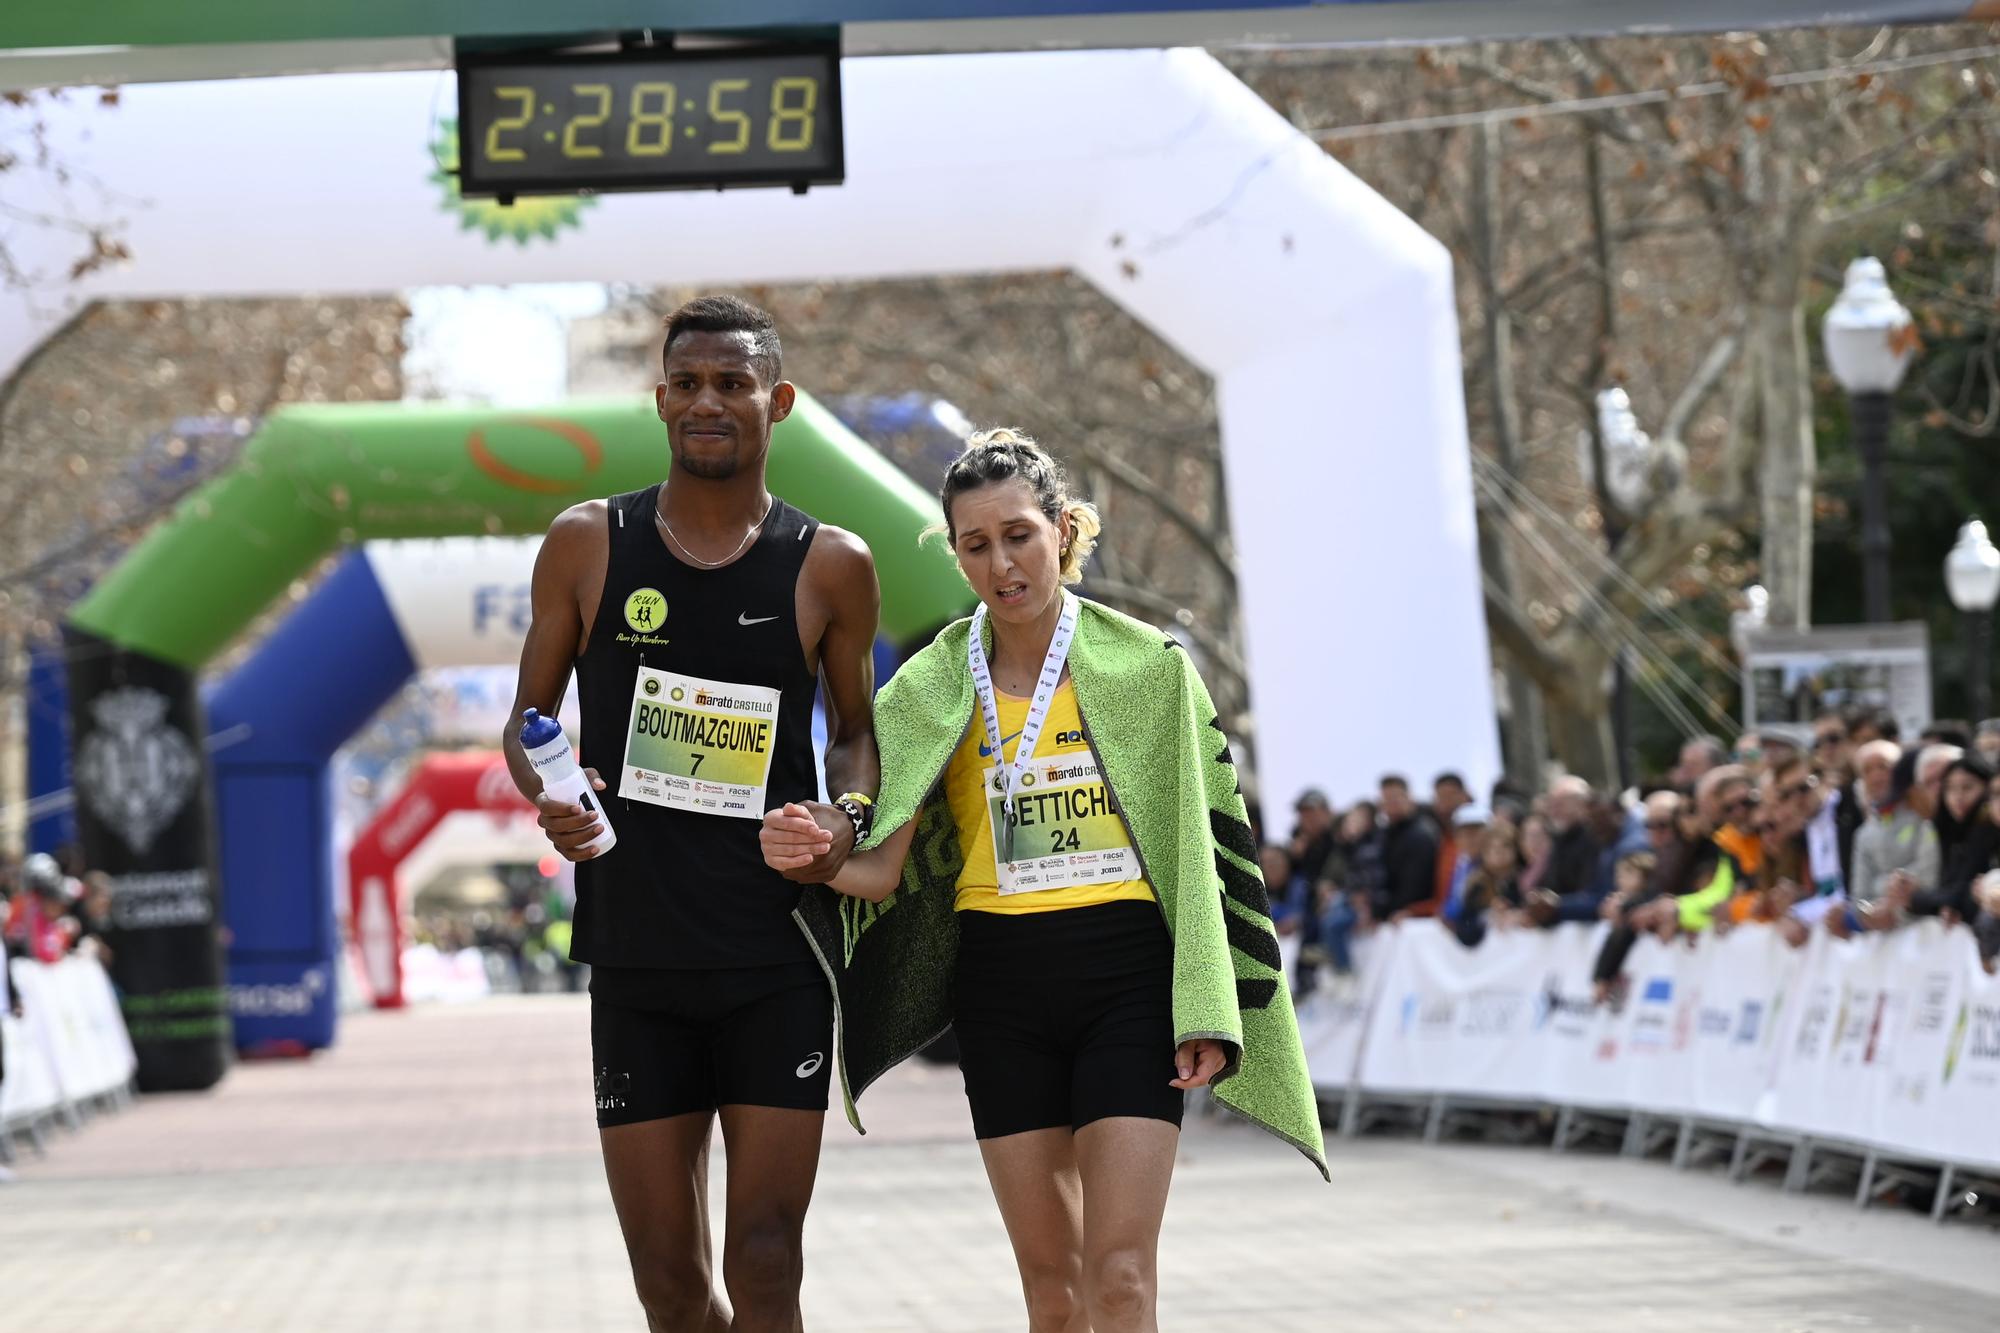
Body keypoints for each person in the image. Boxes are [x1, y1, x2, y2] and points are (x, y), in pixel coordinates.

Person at [764, 429, 1325, 1332]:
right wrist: (816, 852)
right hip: (1002, 990)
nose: (1002, 563)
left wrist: (1203, 1002)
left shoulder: (1151, 666)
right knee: (1053, 1293)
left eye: (1019, 535)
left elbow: (1200, 848)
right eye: (975, 545)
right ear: (955, 553)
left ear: (1064, 530)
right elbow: (880, 875)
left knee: (1122, 1280)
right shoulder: (929, 684)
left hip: (1128, 983)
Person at [505, 296, 883, 1333]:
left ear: (780, 401)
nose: (707, 401)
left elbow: (856, 732)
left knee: (764, 1261)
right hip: (636, 956)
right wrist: (551, 792)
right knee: (670, 1286)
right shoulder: (588, 542)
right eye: (687, 383)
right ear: (659, 396)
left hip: (775, 956)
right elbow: (529, 721)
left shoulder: (831, 562)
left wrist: (845, 821)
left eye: (733, 382)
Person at [1378, 775, 1442, 920]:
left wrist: (1395, 910)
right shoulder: (1383, 836)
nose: (1391, 803)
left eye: (1396, 797)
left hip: (1416, 916)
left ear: (1409, 798)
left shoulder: (1422, 833)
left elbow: (1416, 883)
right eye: (1387, 799)